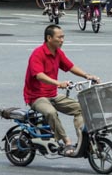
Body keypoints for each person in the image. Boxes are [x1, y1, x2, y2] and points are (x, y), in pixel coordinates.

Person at [24, 25, 100, 156]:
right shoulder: (38, 53)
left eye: (63, 37)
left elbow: (70, 66)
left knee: (81, 108)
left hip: (52, 95)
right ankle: (67, 142)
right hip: (36, 97)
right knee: (51, 112)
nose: (62, 40)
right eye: (59, 37)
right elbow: (39, 75)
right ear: (49, 38)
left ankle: (83, 140)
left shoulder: (57, 52)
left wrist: (87, 76)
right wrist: (58, 83)